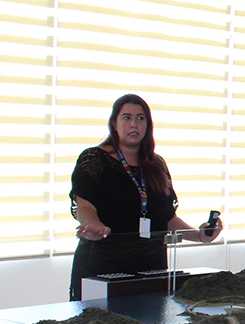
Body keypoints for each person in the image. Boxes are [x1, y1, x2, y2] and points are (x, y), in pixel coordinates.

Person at [70, 94, 222, 300]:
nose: (134, 124)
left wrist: (199, 236)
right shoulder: (94, 159)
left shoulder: (156, 165)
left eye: (141, 118)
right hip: (104, 265)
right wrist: (95, 227)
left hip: (151, 266)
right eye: (127, 118)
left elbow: (167, 218)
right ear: (114, 123)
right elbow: (85, 205)